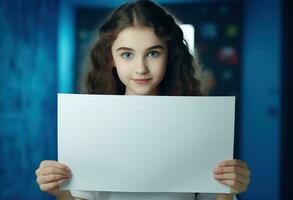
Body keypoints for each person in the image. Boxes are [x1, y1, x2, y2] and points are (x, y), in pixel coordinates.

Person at [35, 1, 250, 200]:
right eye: (127, 55)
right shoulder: (90, 121)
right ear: (111, 58)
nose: (141, 69)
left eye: (153, 53)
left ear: (170, 55)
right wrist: (60, 192)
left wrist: (228, 191)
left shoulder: (200, 123)